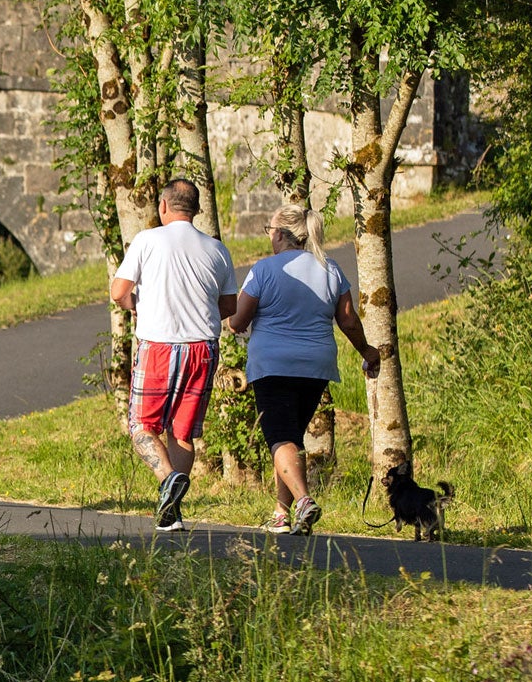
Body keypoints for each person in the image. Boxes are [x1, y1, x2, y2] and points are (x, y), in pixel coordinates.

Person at [230, 200, 380, 535]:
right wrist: (367, 350)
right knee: (291, 437)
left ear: (281, 234)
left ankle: (302, 501)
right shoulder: (330, 269)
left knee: (279, 437)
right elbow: (348, 319)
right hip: (316, 366)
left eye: (270, 230)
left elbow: (239, 321)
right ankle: (282, 514)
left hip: (273, 365)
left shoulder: (264, 270)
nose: (269, 236)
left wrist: (228, 316)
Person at [109, 177, 237, 531]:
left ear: (163, 206)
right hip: (203, 348)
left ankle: (167, 479)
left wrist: (137, 307)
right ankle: (172, 512)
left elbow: (118, 290)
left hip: (159, 346)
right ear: (196, 209)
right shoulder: (217, 249)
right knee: (182, 433)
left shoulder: (147, 240)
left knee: (141, 426)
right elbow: (228, 305)